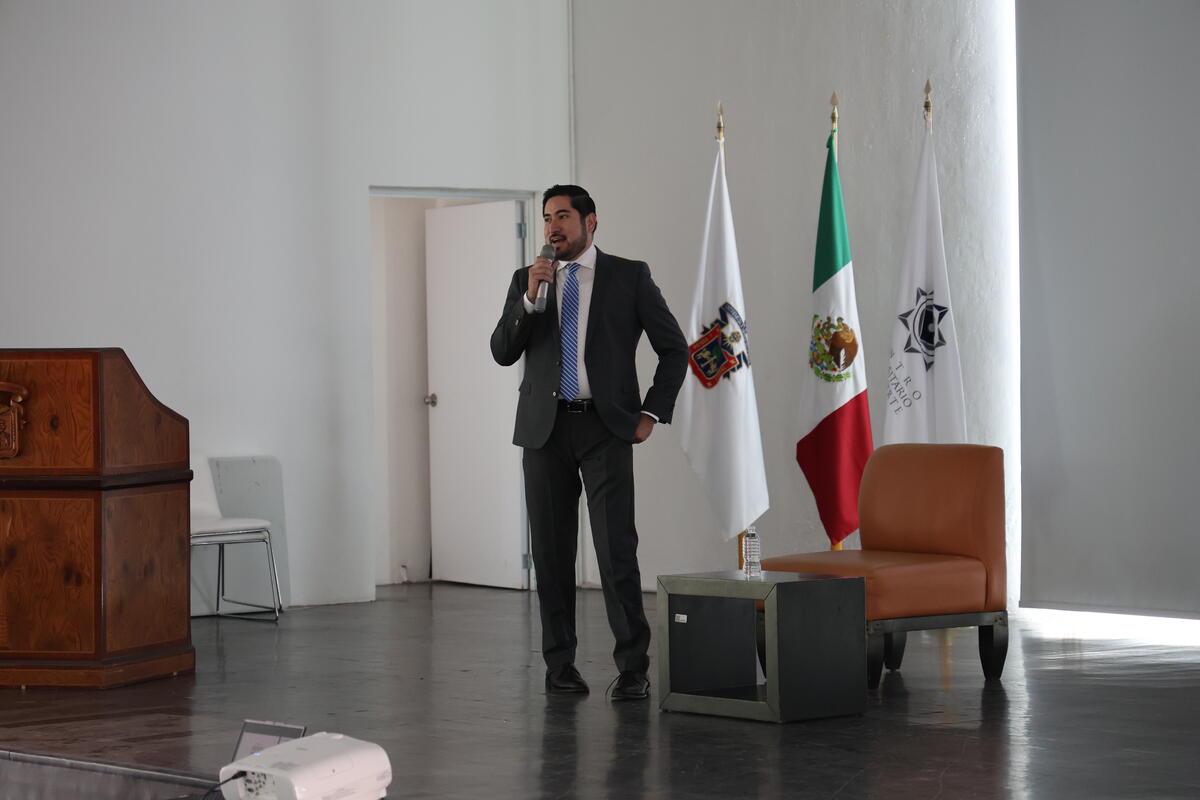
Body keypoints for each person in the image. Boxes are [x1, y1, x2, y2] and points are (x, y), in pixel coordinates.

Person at [490, 185, 687, 700]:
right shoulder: (528, 279)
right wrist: (529, 299)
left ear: (590, 221)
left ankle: (633, 669)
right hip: (544, 431)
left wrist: (651, 412)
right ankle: (560, 665)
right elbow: (502, 351)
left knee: (615, 548)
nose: (552, 227)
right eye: (547, 217)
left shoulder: (629, 276)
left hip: (605, 428)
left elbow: (675, 349)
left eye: (562, 216)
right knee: (551, 553)